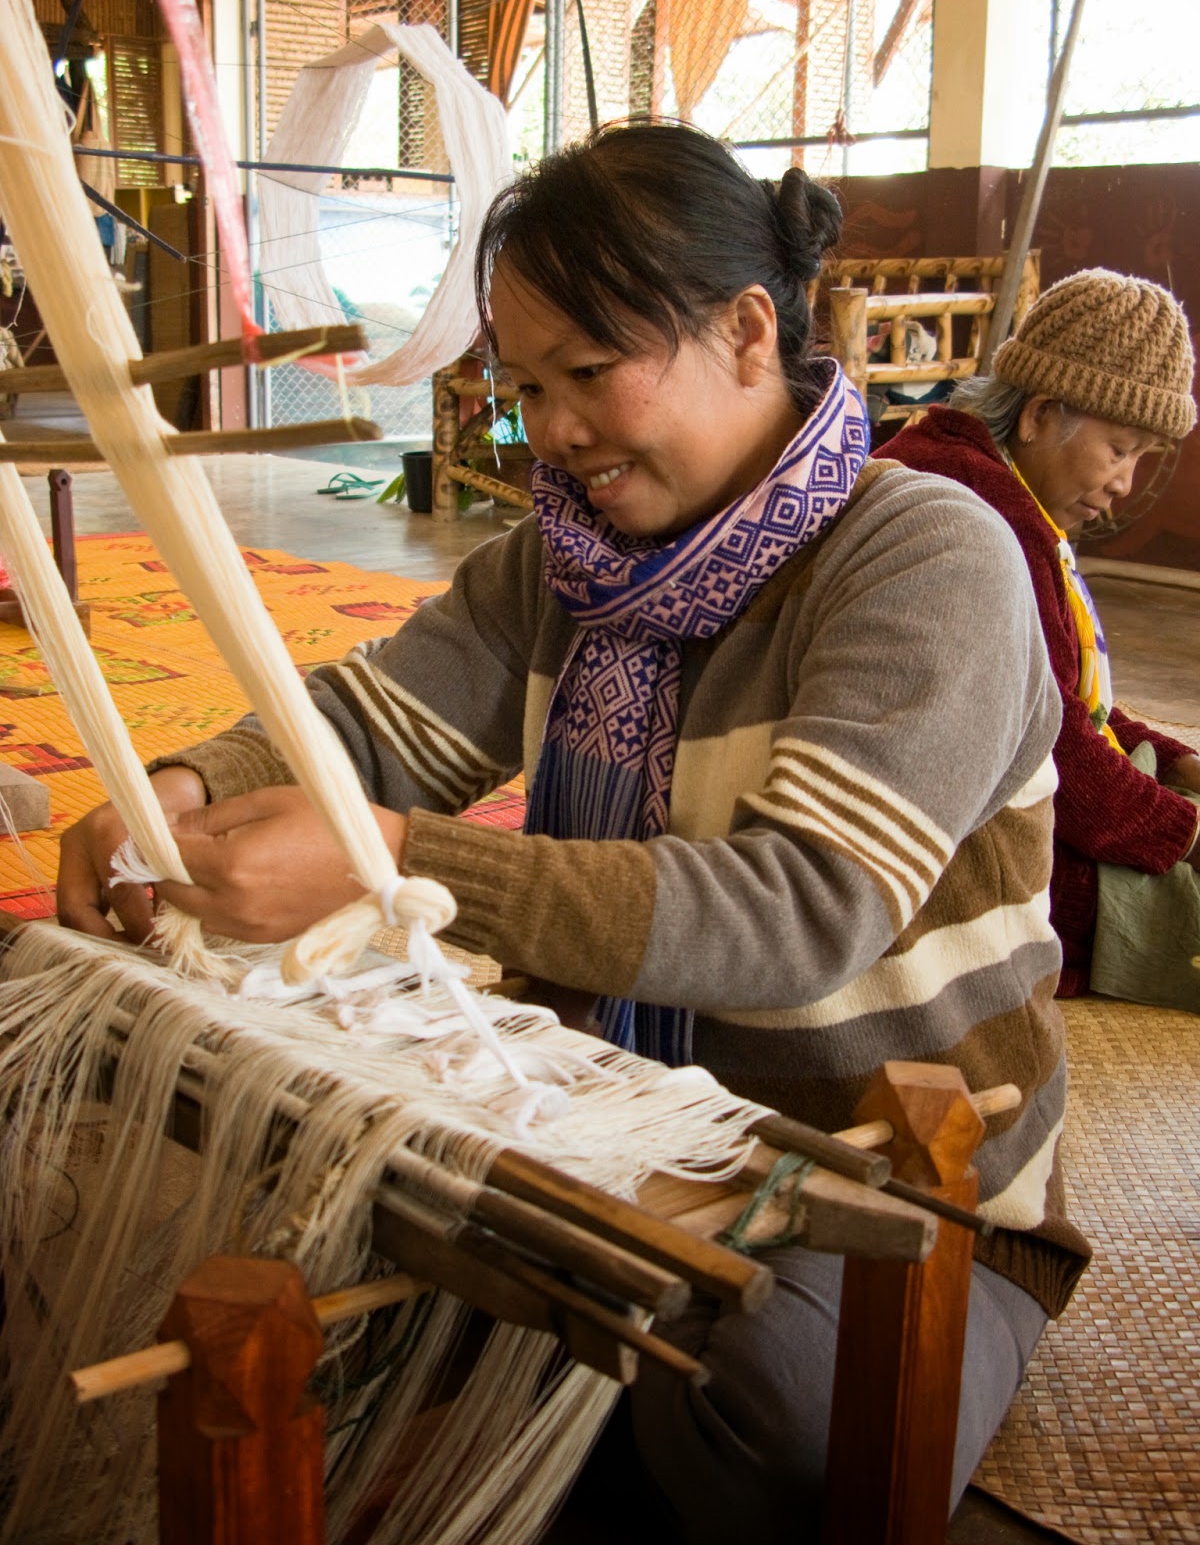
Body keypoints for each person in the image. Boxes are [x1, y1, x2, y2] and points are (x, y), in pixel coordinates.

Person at [55, 123, 1089, 1541]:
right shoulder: (563, 565)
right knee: (323, 1269)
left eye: (591, 375)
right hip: (613, 1125)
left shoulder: (924, 559)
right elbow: (359, 725)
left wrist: (399, 860)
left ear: (745, 331)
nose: (552, 431)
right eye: (527, 387)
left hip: (884, 1178)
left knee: (759, 1414)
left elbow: (801, 912)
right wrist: (173, 784)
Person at [877, 269, 1200, 1009]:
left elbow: (1057, 694)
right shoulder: (977, 510)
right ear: (1041, 414)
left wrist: (1179, 762)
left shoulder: (977, 469)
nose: (1125, 481)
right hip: (967, 853)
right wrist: (1186, 833)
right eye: (1120, 449)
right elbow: (1052, 745)